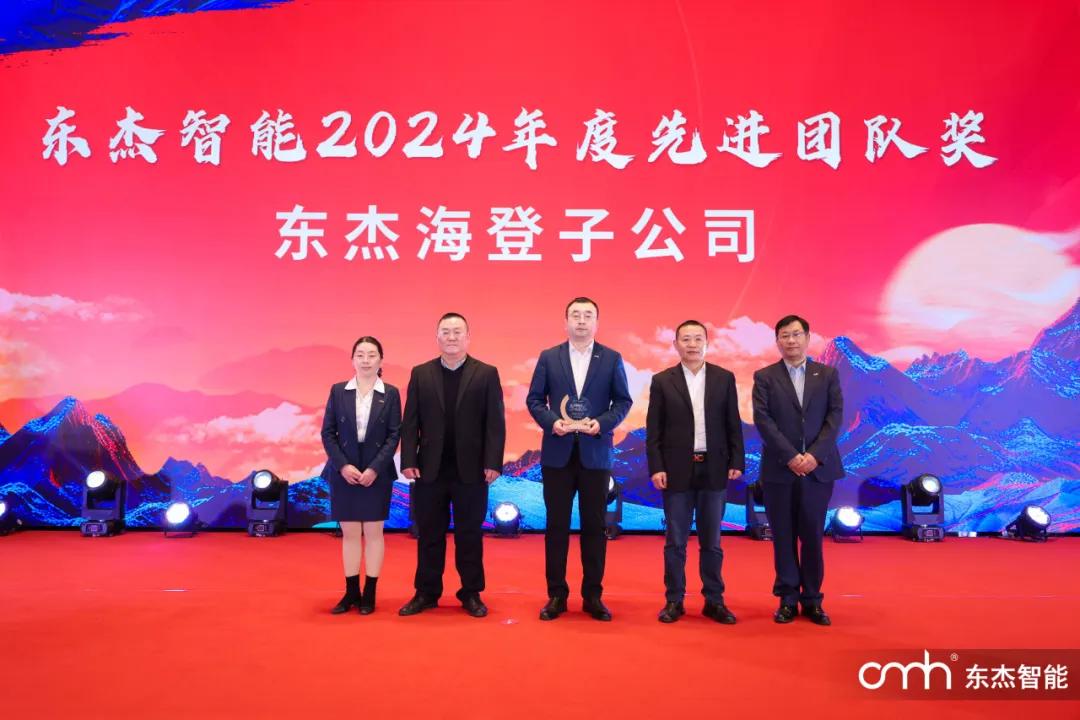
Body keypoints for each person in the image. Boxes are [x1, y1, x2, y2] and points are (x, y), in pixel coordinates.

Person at [526, 297, 632, 621]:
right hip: (557, 455)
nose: (581, 321)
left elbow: (623, 402)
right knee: (556, 527)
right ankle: (556, 595)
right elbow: (534, 399)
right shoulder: (549, 357)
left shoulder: (611, 358)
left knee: (595, 527)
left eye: (588, 315)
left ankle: (593, 596)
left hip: (595, 455)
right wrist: (551, 422)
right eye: (575, 315)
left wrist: (602, 423)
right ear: (566, 321)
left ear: (597, 323)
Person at [398, 312, 506, 618]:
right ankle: (426, 592)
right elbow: (411, 422)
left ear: (468, 337)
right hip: (429, 469)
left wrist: (493, 462)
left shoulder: (486, 373)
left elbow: (495, 423)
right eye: (446, 331)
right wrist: (408, 459)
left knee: (469, 535)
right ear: (437, 337)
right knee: (429, 534)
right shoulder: (421, 373)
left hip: (472, 470)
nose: (452, 337)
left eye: (458, 332)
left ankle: (471, 593)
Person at [646, 320, 745, 624]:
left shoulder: (723, 378)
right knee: (675, 541)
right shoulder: (662, 381)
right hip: (676, 469)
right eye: (686, 339)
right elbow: (654, 429)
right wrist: (657, 466)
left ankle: (714, 600)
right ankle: (674, 600)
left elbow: (733, 423)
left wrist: (737, 461)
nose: (692, 344)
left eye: (697, 338)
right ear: (676, 344)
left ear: (706, 343)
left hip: (714, 467)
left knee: (712, 542)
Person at [752, 315, 844, 626]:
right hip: (780, 470)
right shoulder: (765, 377)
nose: (791, 341)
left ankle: (813, 600)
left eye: (796, 334)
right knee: (783, 537)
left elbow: (834, 418)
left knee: (813, 537)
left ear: (807, 337)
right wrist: (791, 456)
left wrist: (814, 456)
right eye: (784, 336)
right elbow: (763, 420)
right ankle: (788, 600)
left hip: (818, 471)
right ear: (777, 341)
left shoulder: (827, 375)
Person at [321, 336, 402, 615]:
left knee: (374, 533)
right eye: (360, 355)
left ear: (381, 360)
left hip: (377, 473)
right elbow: (328, 433)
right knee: (350, 534)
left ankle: (370, 593)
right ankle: (351, 592)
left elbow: (394, 435)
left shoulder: (390, 393)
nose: (366, 360)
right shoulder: (338, 391)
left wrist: (375, 468)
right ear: (352, 359)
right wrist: (343, 466)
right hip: (345, 472)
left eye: (371, 355)